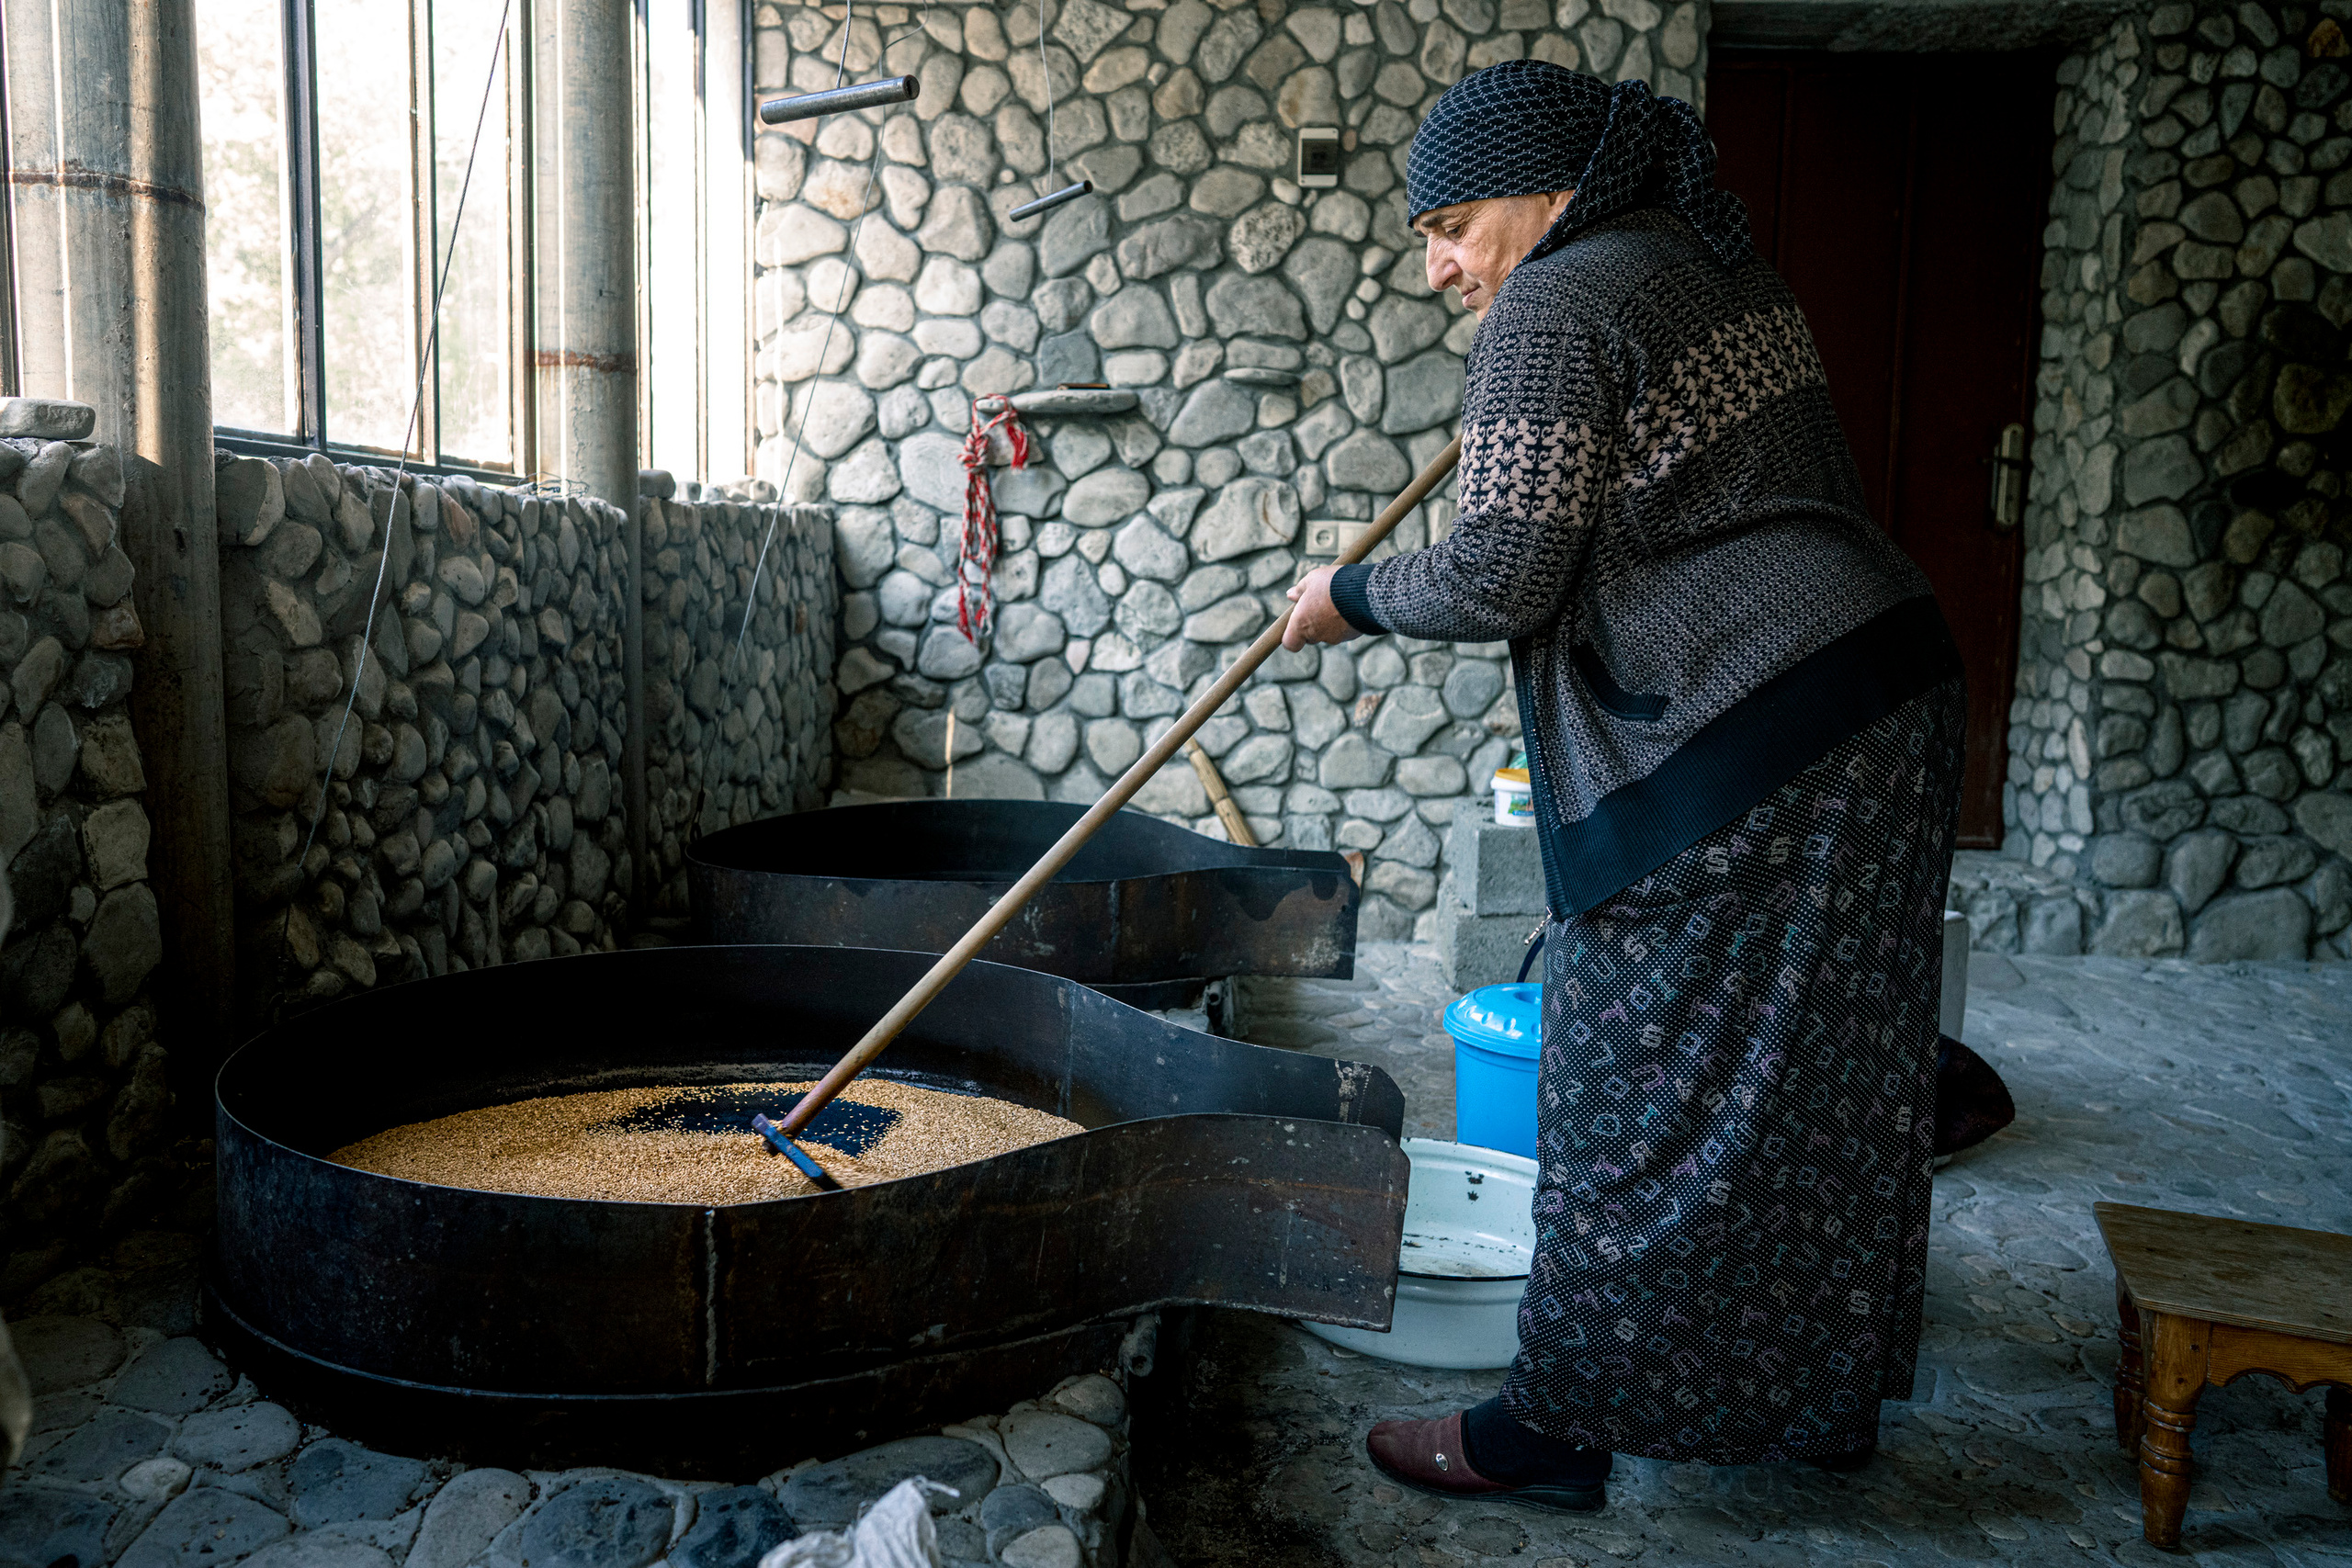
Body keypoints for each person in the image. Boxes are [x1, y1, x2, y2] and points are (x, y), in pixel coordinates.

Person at [1283, 60, 1967, 1512]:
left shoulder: (1557, 300)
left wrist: (1346, 591)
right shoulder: (1702, 268)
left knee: (1626, 1076)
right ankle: (1812, 1398)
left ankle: (1555, 1430)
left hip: (1757, 725)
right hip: (1888, 682)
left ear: (1551, 193)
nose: (1442, 267)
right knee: (1824, 1080)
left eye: (1455, 226)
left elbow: (1503, 569)